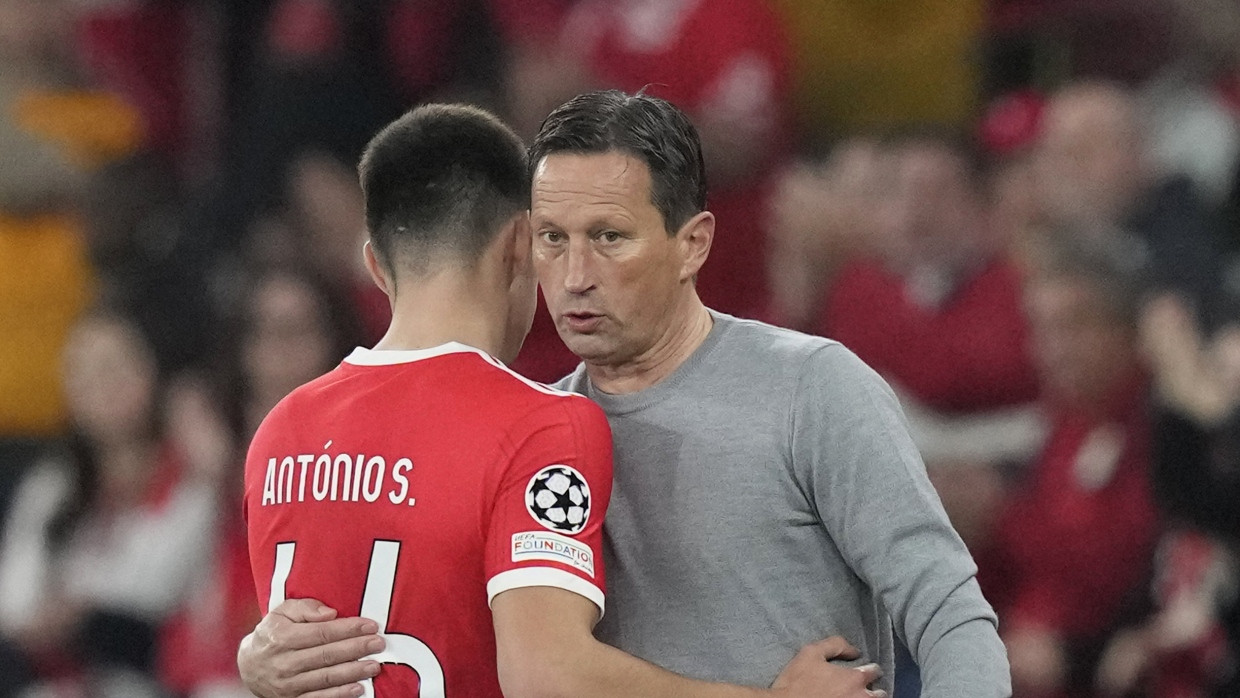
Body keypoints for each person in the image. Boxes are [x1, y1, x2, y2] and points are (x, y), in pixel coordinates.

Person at [237, 91, 1004, 696]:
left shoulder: (812, 386)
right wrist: (262, 654)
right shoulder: (535, 429)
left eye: (608, 237)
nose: (573, 277)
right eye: (552, 239)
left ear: (692, 243)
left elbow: (947, 611)